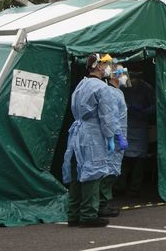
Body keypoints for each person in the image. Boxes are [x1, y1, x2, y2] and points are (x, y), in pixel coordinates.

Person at [62, 53, 118, 228]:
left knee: (78, 173)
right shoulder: (101, 88)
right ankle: (88, 215)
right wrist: (110, 137)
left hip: (78, 134)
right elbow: (107, 116)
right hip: (93, 134)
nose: (109, 67)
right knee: (93, 173)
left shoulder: (81, 85)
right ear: (98, 66)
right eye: (106, 64)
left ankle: (73, 214)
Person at [115, 68, 155, 197]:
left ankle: (135, 188)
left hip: (141, 127)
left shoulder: (147, 89)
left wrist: (144, 110)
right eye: (131, 78)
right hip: (126, 126)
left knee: (140, 160)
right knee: (123, 157)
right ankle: (120, 186)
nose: (133, 81)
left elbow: (155, 106)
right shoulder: (123, 87)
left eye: (135, 78)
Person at [97, 64, 129, 217]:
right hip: (114, 139)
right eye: (122, 72)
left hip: (117, 138)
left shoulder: (117, 92)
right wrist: (118, 136)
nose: (125, 76)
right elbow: (112, 117)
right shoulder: (111, 92)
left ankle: (103, 203)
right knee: (108, 172)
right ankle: (102, 204)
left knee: (112, 171)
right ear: (114, 74)